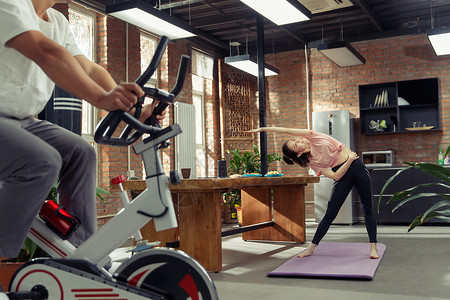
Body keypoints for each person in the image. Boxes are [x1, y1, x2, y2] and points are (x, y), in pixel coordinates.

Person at [0, 0, 165, 265]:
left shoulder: (58, 22)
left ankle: (82, 254)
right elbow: (46, 52)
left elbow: (88, 68)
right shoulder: (10, 4)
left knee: (82, 151)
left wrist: (132, 111)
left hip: (23, 121)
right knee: (43, 161)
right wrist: (102, 98)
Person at [247, 127, 378, 259]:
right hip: (343, 173)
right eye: (295, 144)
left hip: (358, 168)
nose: (297, 140)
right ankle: (311, 248)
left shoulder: (312, 136)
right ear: (298, 154)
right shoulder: (312, 162)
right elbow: (336, 176)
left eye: (294, 140)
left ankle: (373, 248)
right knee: (330, 213)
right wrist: (349, 160)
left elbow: (287, 130)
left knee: (367, 209)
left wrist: (263, 129)